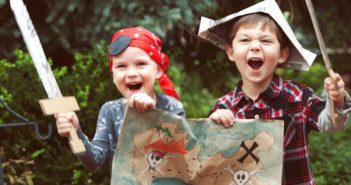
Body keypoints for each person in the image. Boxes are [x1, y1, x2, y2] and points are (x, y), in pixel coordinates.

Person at [199, 3, 351, 185]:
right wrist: (214, 127)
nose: (255, 46)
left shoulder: (299, 97)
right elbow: (212, 164)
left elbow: (332, 125)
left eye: (266, 41)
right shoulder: (223, 106)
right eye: (245, 40)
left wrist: (336, 100)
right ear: (230, 51)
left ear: (282, 54)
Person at [55, 26, 185, 172]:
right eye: (121, 66)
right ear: (113, 74)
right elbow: (93, 163)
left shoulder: (172, 107)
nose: (131, 73)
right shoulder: (110, 111)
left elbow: (177, 161)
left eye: (141, 64)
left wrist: (152, 115)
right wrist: (74, 133)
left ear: (158, 70)